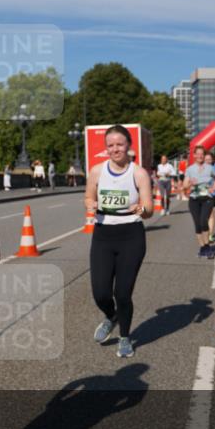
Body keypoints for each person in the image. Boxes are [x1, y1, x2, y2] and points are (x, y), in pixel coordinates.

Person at [85, 125, 154, 359]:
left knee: (122, 293)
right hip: (103, 235)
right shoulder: (96, 171)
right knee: (101, 293)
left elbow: (149, 209)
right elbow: (88, 196)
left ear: (128, 146)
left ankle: (125, 337)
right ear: (106, 148)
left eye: (119, 144)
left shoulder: (138, 173)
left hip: (131, 235)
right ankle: (111, 315)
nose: (115, 149)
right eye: (110, 145)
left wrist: (141, 208)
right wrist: (89, 204)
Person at [183, 146, 215, 259]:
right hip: (194, 199)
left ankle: (207, 247)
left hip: (207, 198)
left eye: (202, 154)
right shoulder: (190, 169)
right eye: (198, 154)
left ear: (204, 156)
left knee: (203, 221)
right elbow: (184, 186)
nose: (200, 156)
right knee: (197, 224)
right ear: (194, 155)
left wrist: (214, 188)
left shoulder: (210, 168)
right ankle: (203, 247)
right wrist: (190, 183)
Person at [204, 152, 215, 241]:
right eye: (206, 159)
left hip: (213, 193)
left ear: (213, 160)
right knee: (203, 214)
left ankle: (210, 234)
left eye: (209, 159)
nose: (208, 161)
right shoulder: (200, 167)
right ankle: (204, 231)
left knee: (211, 213)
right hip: (202, 193)